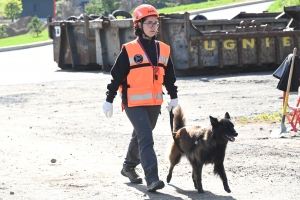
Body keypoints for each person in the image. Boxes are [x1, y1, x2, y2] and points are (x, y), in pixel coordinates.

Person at [102, 4, 178, 192]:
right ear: (139, 25)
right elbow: (116, 76)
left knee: (139, 135)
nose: (153, 27)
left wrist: (174, 97)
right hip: (133, 103)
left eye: (155, 23)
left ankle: (128, 167)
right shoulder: (129, 50)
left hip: (154, 103)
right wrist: (109, 99)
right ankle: (152, 178)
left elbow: (169, 77)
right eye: (149, 23)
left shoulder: (164, 50)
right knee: (146, 137)